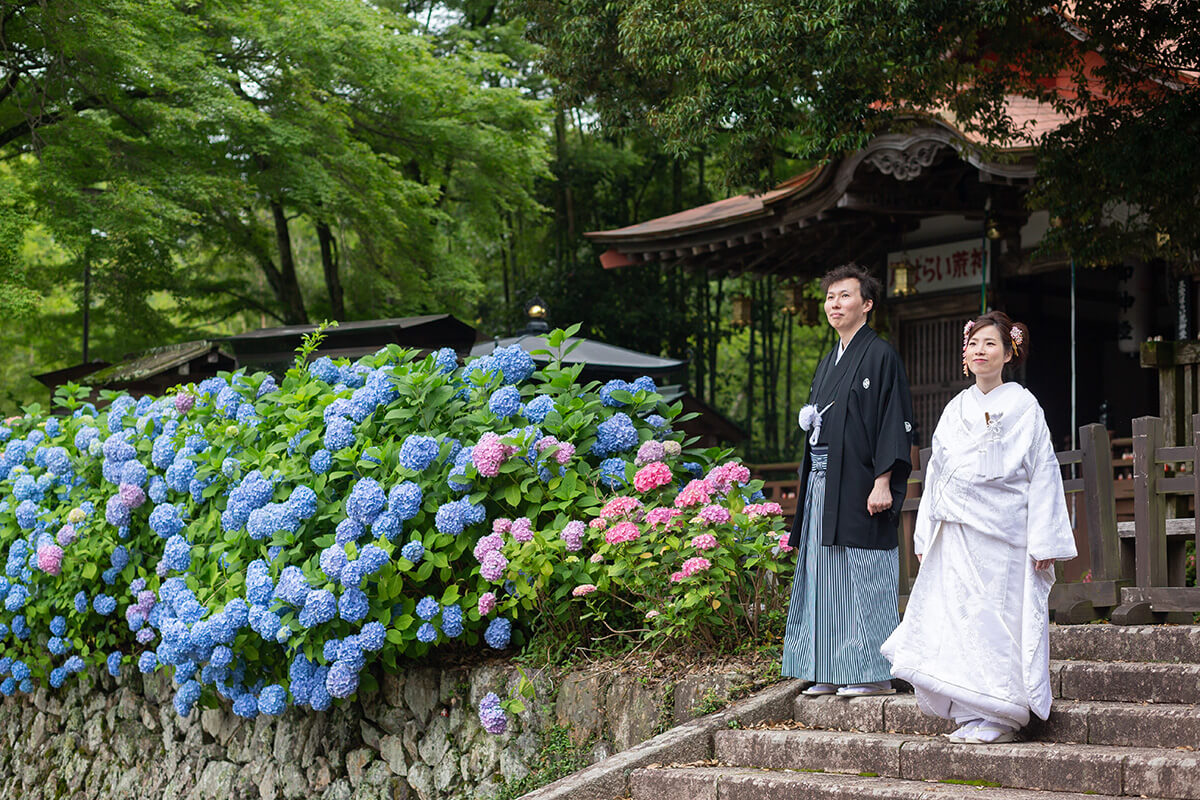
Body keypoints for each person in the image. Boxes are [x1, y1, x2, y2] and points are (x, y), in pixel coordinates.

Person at [881, 311, 1077, 744]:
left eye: (991, 344)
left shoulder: (1024, 406)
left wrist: (1044, 538)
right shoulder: (956, 408)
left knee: (997, 619)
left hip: (1005, 531)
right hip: (958, 531)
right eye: (974, 345)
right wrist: (925, 529)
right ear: (965, 357)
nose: (980, 351)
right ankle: (971, 710)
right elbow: (937, 472)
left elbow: (1042, 472)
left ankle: (1003, 712)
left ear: (1009, 353)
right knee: (961, 619)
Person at [782, 264, 914, 698]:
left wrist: (883, 482)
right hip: (824, 482)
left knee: (863, 573)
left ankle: (873, 670)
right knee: (823, 574)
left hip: (860, 483)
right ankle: (829, 666)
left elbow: (891, 422)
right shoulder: (827, 362)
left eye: (844, 296)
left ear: (867, 304)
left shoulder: (880, 355)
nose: (834, 305)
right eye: (829, 298)